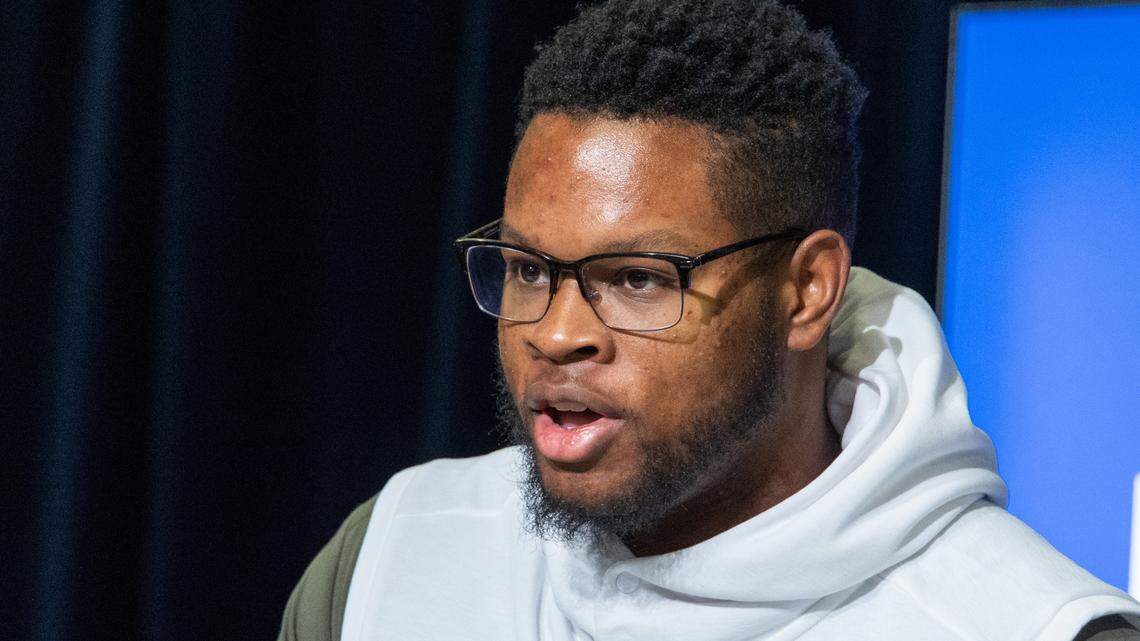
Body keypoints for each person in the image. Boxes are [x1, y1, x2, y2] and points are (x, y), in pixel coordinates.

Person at [277, 1, 1140, 639]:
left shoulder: (1023, 622)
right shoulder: (384, 563)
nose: (554, 332)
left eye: (639, 279)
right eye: (531, 268)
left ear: (807, 291)